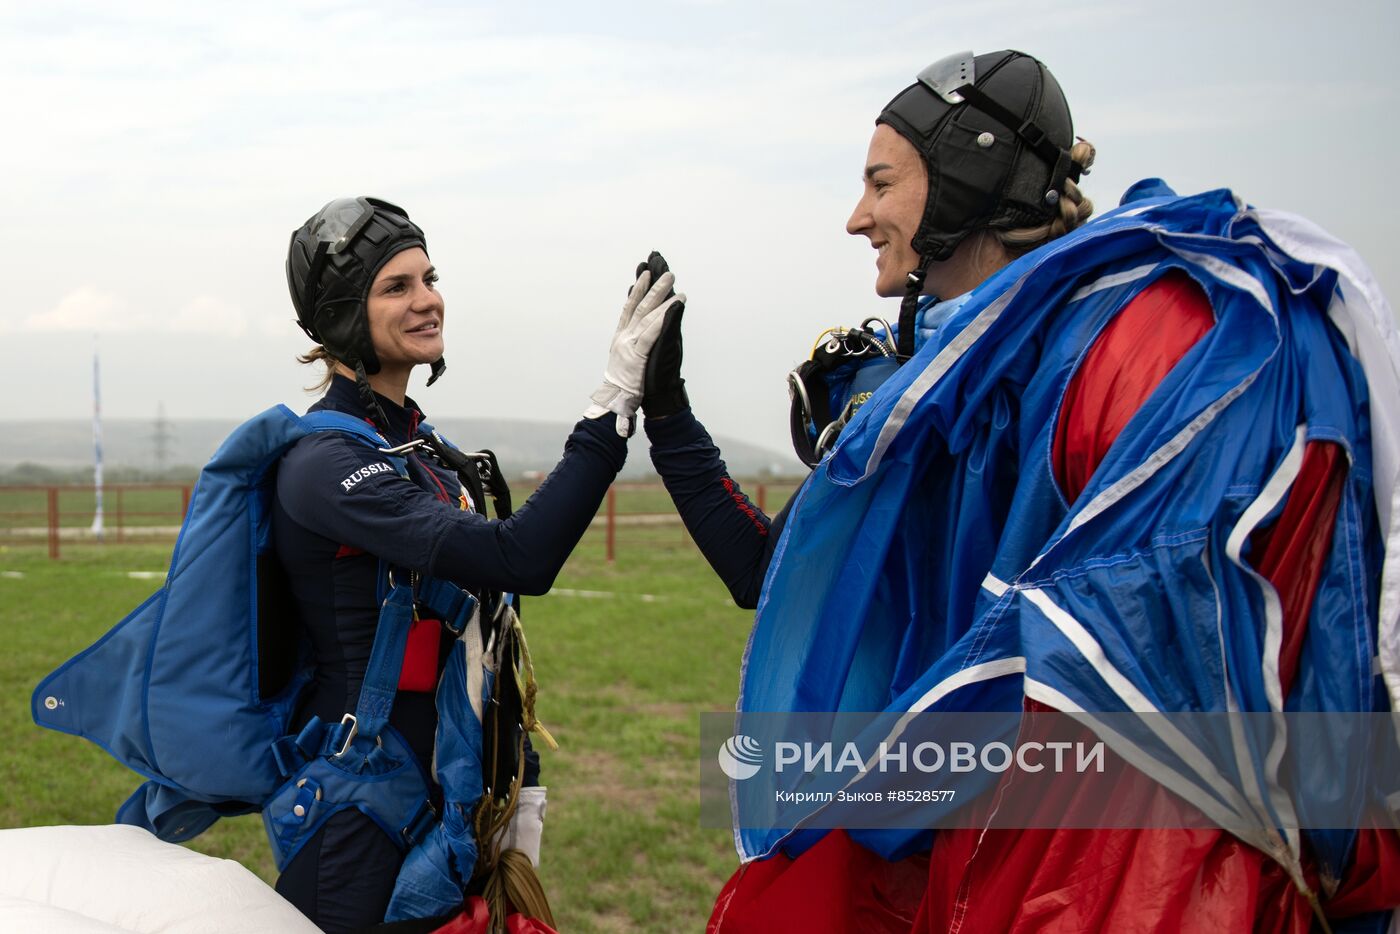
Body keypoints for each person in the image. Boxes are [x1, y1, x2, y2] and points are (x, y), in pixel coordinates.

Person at [639, 52, 1400, 931]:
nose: (858, 217)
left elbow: (1161, 693)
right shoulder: (948, 387)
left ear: (965, 173)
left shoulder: (1125, 351)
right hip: (949, 858)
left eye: (881, 184)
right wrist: (668, 416)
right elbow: (779, 578)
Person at [273, 196, 682, 932]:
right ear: (340, 314)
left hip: (452, 795)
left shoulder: (418, 450)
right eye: (397, 287)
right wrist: (614, 405)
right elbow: (519, 556)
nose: (429, 300)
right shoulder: (325, 464)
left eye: (429, 278)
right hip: (362, 820)